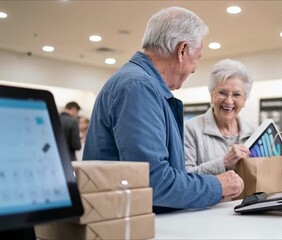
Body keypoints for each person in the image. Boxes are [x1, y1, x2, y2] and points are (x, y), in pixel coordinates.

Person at [83, 6, 243, 213]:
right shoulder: (138, 88)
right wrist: (217, 186)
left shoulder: (142, 86)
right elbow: (153, 181)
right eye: (197, 58)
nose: (194, 68)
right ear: (182, 50)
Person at [184, 59, 282, 185]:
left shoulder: (254, 130)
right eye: (222, 93)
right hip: (212, 205)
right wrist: (223, 163)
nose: (229, 101)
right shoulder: (190, 129)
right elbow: (185, 178)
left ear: (245, 99)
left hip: (251, 204)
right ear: (211, 95)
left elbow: (268, 177)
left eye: (236, 94)